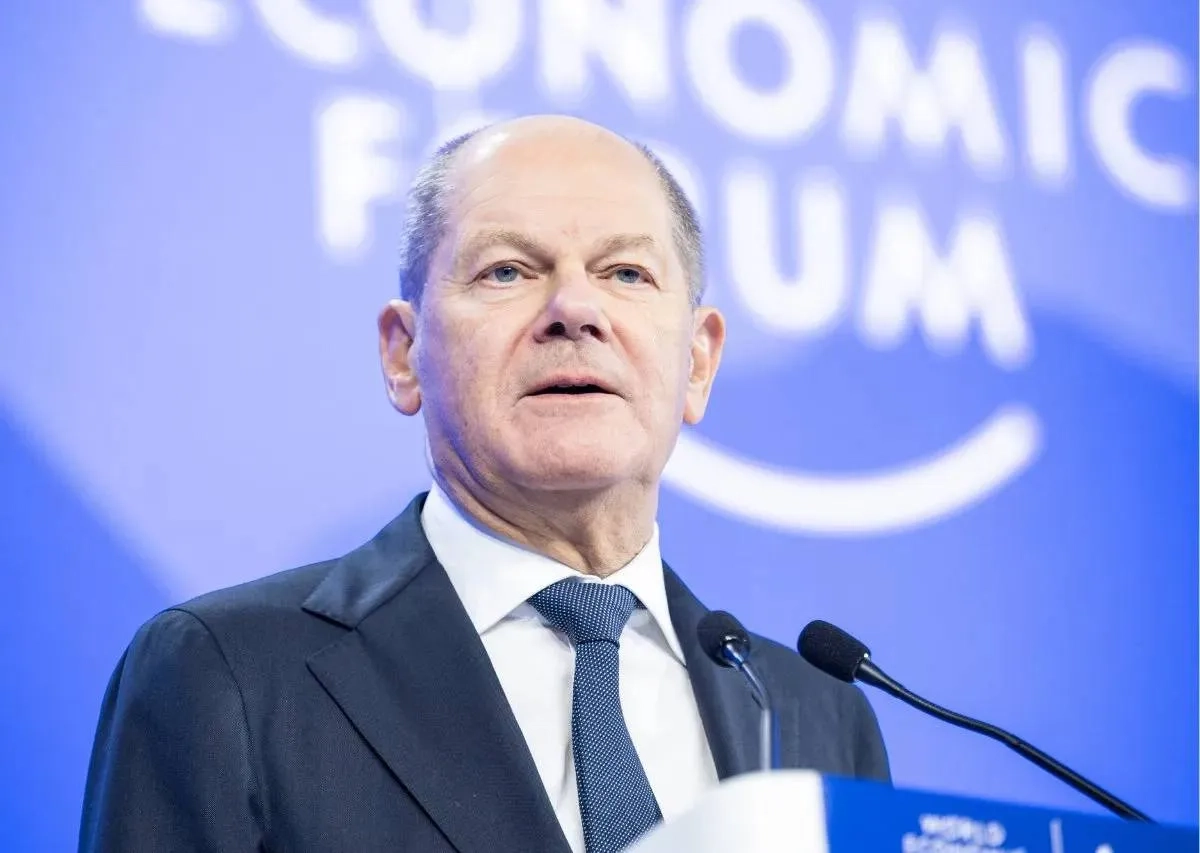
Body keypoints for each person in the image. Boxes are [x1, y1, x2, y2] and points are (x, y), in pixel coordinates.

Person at [79, 115, 889, 853]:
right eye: (507, 271)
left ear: (699, 362)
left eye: (626, 273)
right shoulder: (229, 674)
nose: (575, 308)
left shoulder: (817, 716)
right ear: (403, 355)